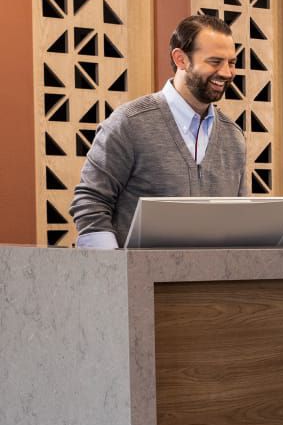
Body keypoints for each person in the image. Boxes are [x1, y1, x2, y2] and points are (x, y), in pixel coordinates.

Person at [70, 13, 247, 248]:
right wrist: (112, 270)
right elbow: (90, 202)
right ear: (181, 59)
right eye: (215, 62)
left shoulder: (234, 136)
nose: (227, 73)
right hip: (135, 282)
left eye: (232, 63)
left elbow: (242, 219)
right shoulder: (129, 123)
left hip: (211, 283)